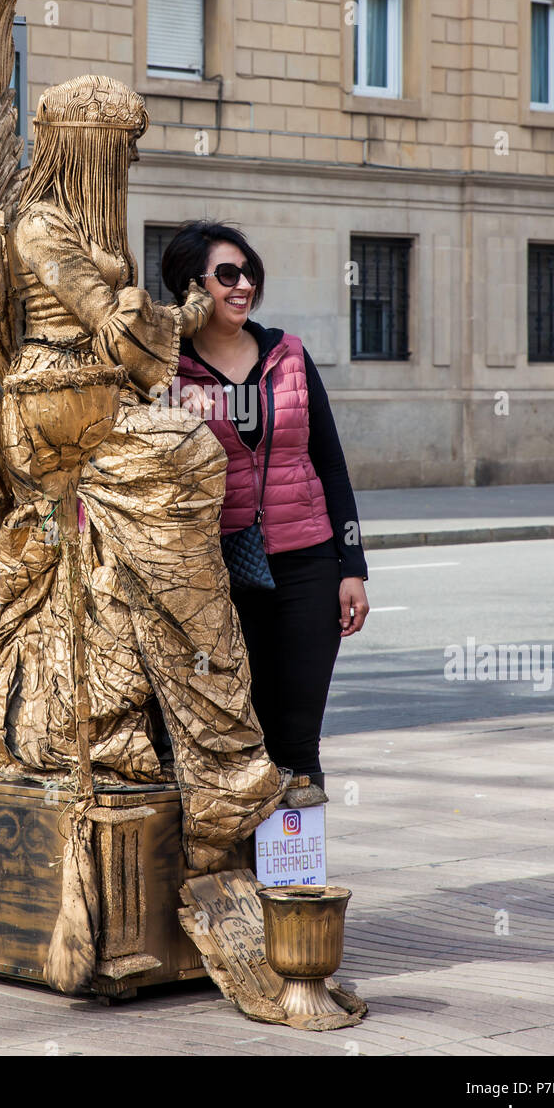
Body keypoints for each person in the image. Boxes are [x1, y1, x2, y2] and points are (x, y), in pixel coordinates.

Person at [0, 80, 287, 870]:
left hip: (95, 408)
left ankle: (136, 730)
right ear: (85, 143)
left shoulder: (81, 223)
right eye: (121, 148)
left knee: (126, 580)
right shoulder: (41, 224)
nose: (130, 161)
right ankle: (219, 756)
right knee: (187, 452)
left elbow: (133, 332)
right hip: (56, 419)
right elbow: (109, 321)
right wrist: (158, 323)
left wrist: (172, 319)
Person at [165, 221, 370, 808]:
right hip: (216, 575)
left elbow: (330, 464)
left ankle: (295, 886)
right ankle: (242, 882)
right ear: (192, 285)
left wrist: (351, 566)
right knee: (239, 738)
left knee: (299, 744)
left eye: (248, 272)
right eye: (226, 274)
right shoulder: (169, 374)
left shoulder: (289, 356)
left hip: (307, 561)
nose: (242, 285)